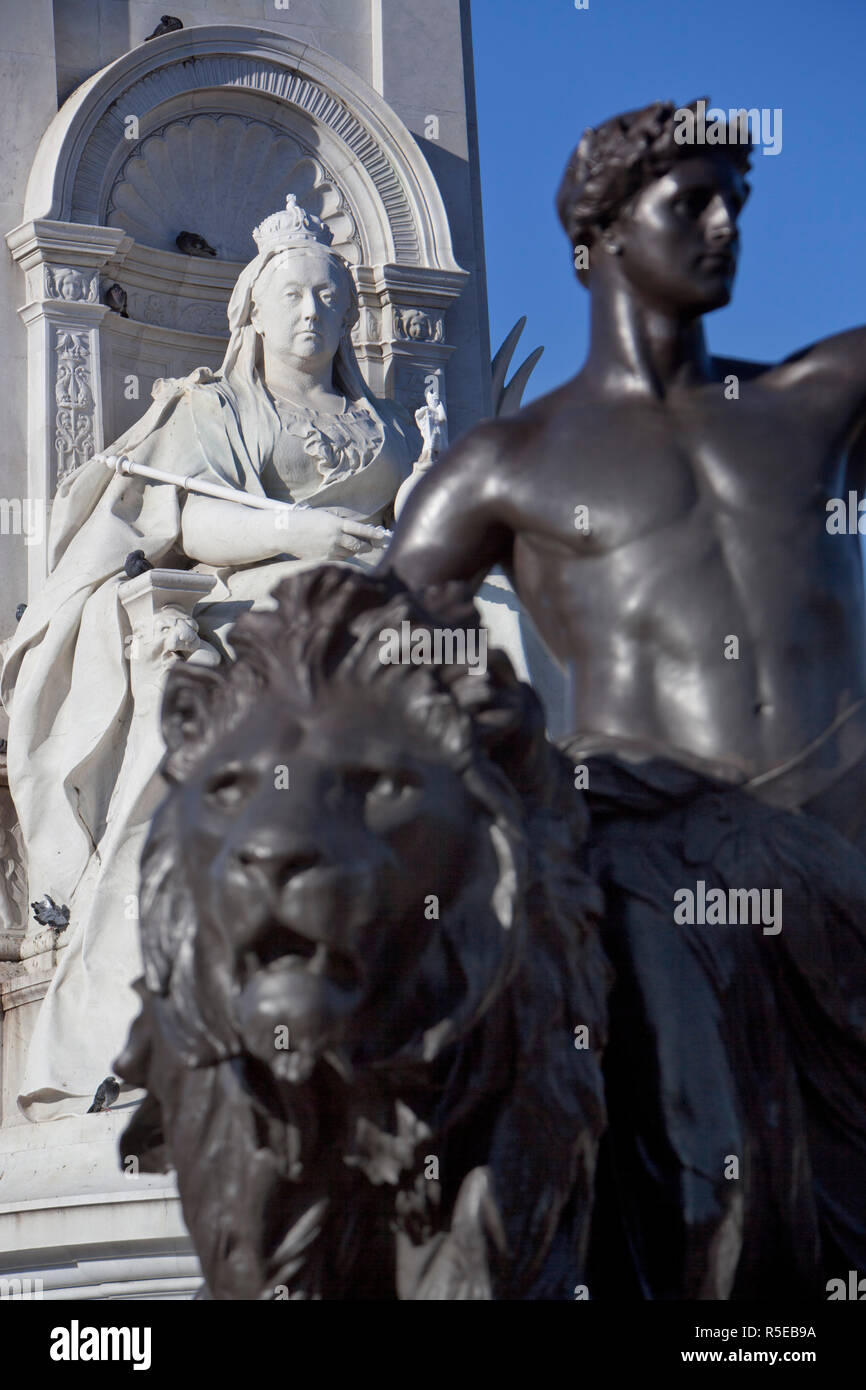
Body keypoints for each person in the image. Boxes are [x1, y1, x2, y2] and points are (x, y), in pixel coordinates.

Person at [383, 100, 866, 1297]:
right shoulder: (499, 466)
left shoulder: (815, 401)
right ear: (599, 230)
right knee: (719, 1190)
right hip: (651, 850)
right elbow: (387, 668)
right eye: (688, 202)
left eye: (734, 204)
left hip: (843, 848)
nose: (723, 227)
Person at [1, 195, 415, 1117]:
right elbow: (179, 516)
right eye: (293, 297)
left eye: (328, 297)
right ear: (253, 311)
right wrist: (297, 532)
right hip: (242, 602)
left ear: (350, 314)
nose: (313, 312)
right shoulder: (213, 406)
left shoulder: (387, 428)